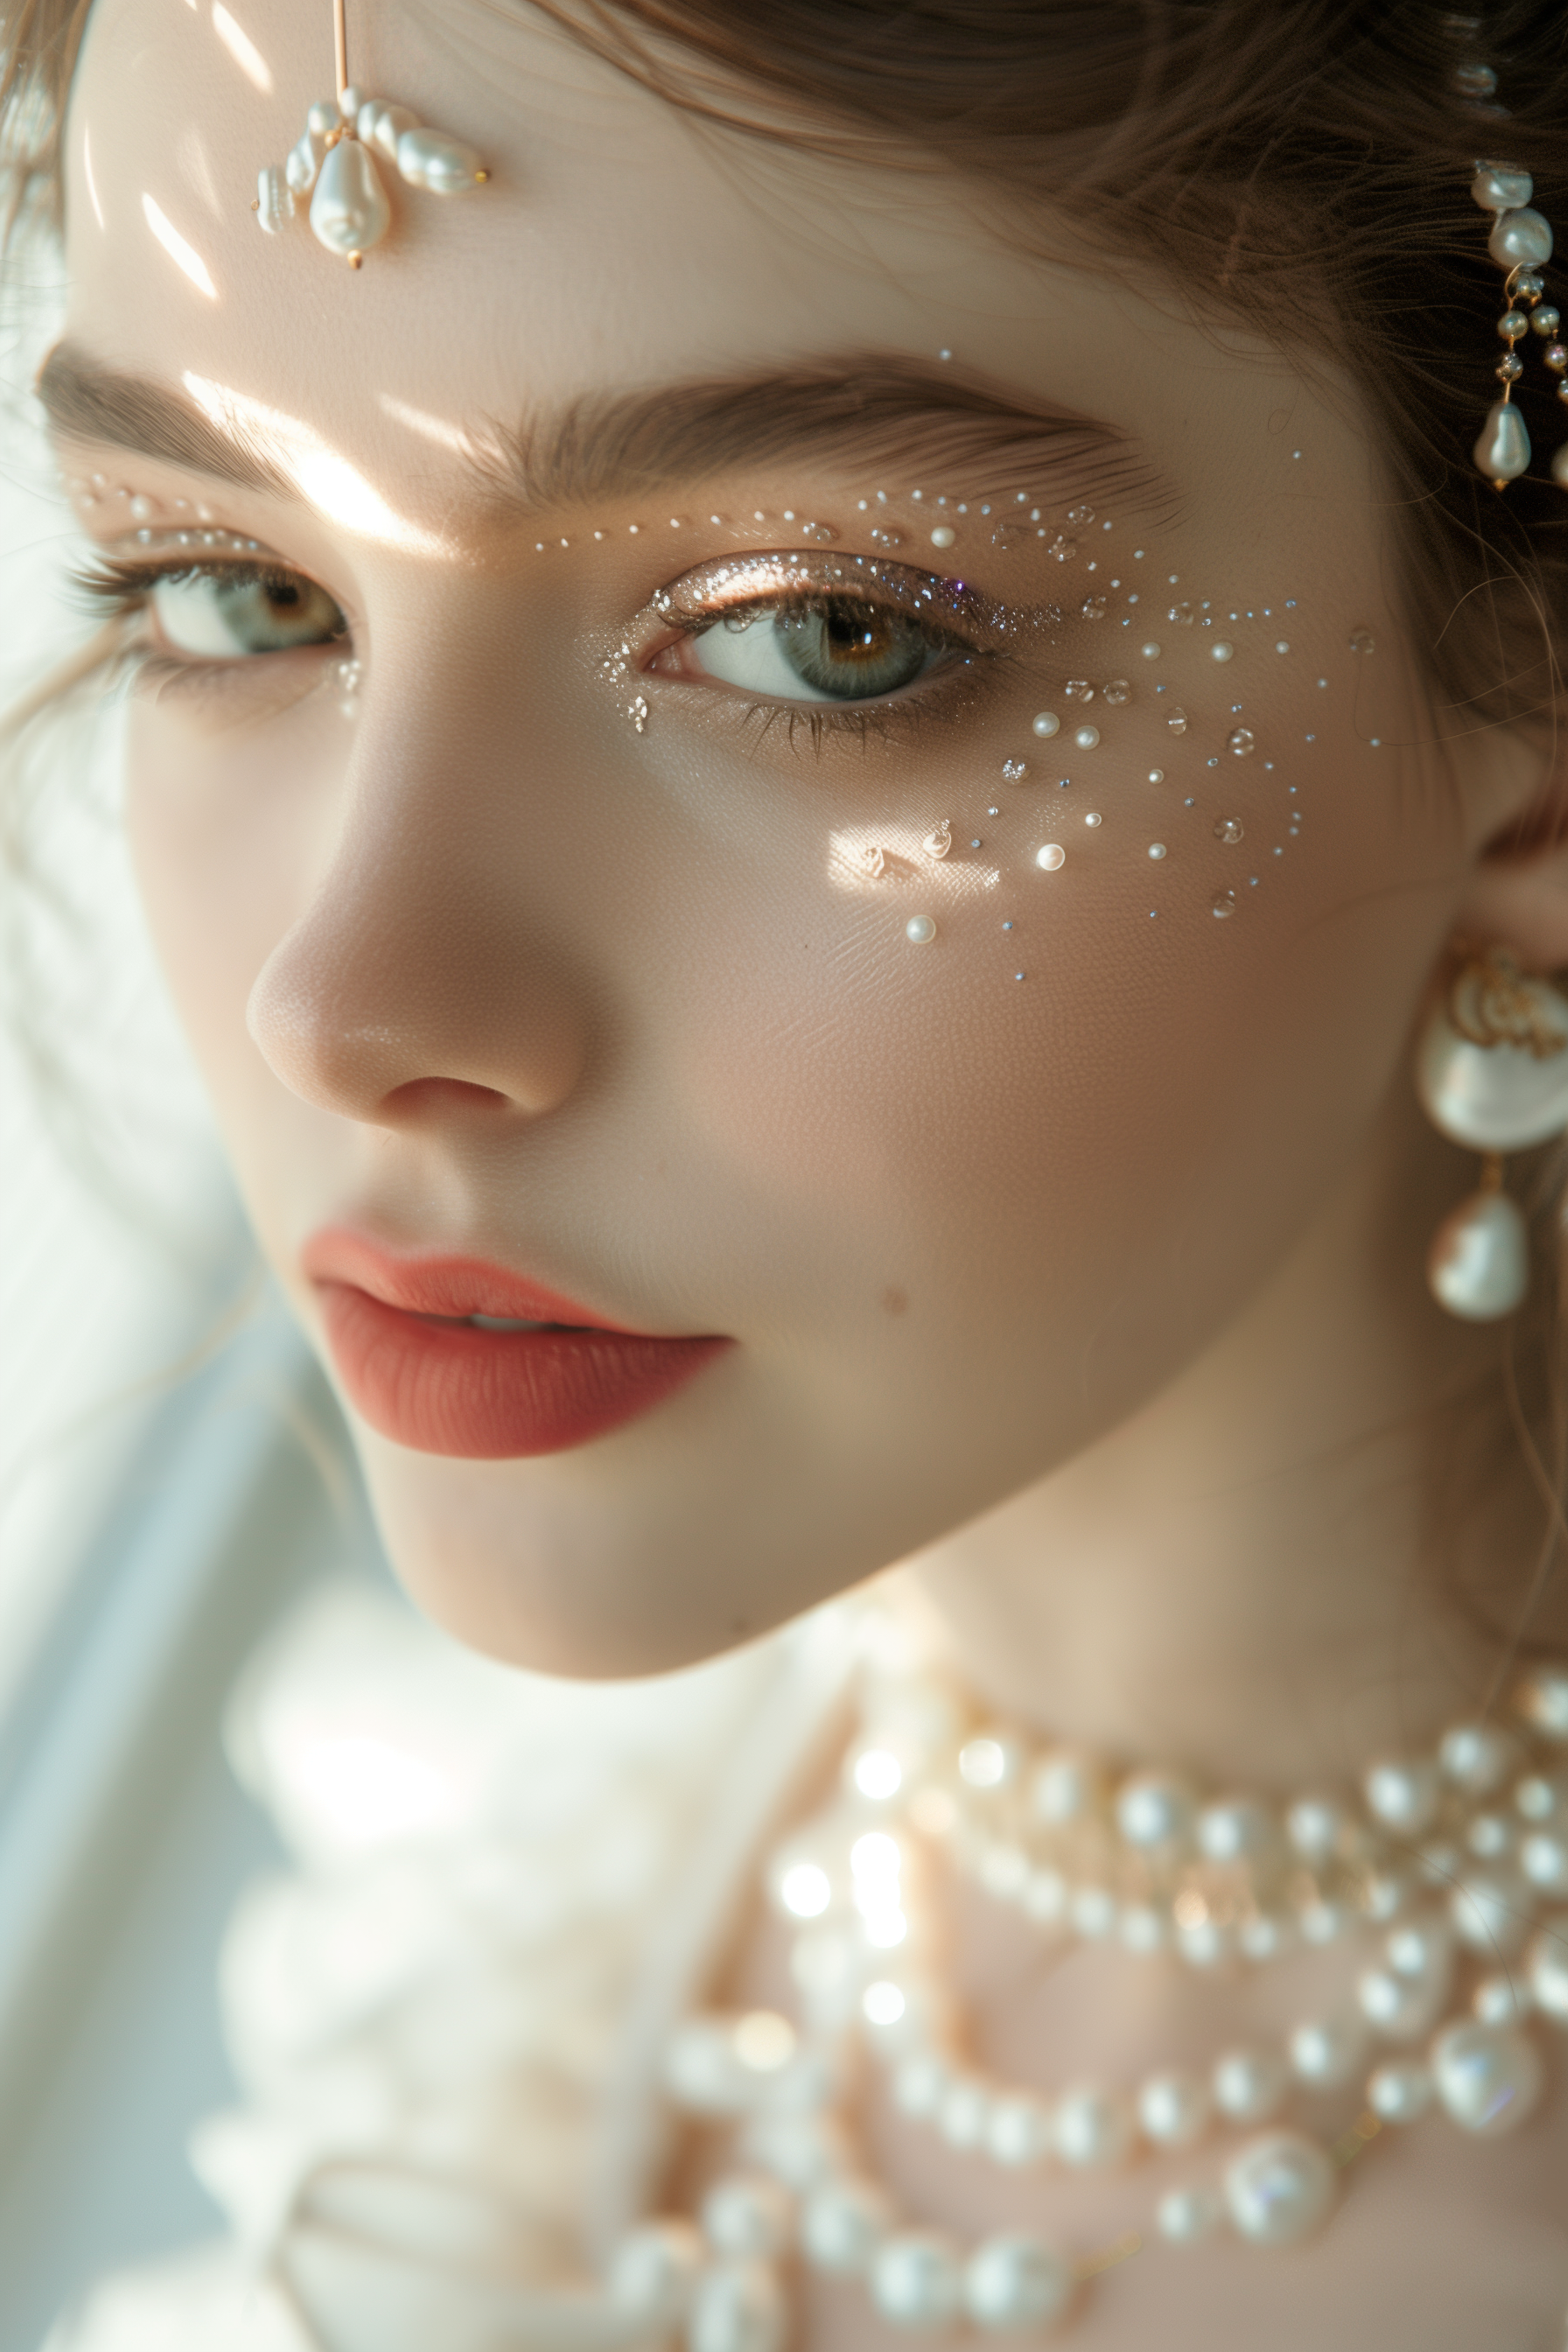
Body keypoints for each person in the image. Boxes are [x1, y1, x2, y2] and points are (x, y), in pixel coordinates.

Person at [4, 0, 1568, 2342]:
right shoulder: (507, 1905)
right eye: (234, 594)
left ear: (1536, 776)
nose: (347, 1008)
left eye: (828, 640)